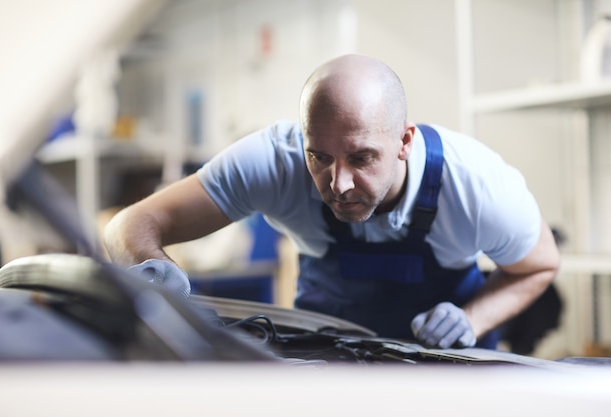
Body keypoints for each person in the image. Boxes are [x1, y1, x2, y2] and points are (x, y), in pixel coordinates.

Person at [103, 54, 560, 349]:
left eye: (361, 158)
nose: (339, 183)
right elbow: (128, 225)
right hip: (329, 362)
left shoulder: (477, 184)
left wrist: (472, 319)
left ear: (403, 141)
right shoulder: (274, 160)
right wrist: (153, 268)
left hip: (445, 370)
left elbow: (540, 264)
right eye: (319, 156)